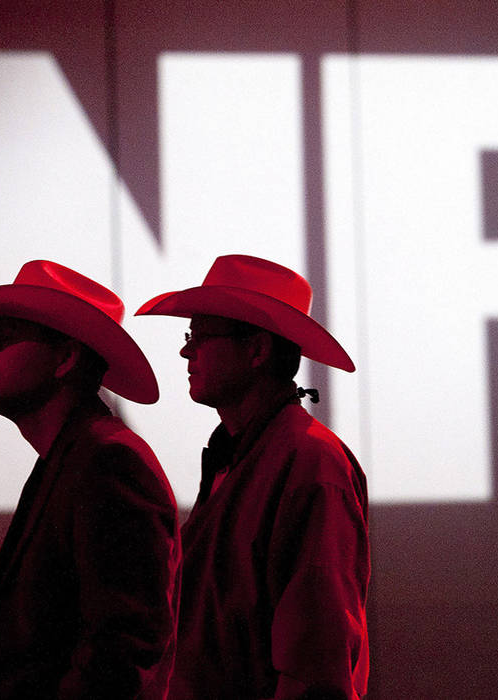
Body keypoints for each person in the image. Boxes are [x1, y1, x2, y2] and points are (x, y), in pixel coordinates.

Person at [0, 260, 181, 699]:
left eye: (5, 339)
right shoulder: (74, 458)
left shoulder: (107, 462)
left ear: (66, 358)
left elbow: (122, 649)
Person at [136, 254, 369, 700]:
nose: (186, 350)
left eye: (201, 335)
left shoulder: (310, 461)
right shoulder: (239, 454)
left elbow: (317, 664)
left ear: (258, 349)